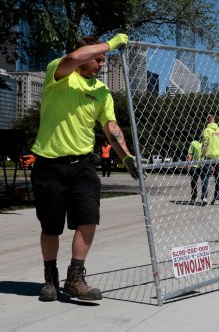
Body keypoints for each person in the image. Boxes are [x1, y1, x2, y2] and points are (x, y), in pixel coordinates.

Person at [31, 33, 140, 302]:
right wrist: (112, 43)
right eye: (98, 59)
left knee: (88, 219)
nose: (101, 64)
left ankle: (75, 279)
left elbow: (110, 127)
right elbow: (73, 58)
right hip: (49, 163)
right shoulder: (59, 73)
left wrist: (126, 156)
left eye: (104, 60)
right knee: (51, 226)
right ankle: (50, 279)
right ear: (87, 55)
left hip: (83, 165)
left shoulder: (102, 92)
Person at [200, 114, 219, 205]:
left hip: (209, 156)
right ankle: (216, 198)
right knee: (218, 177)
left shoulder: (207, 130)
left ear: (207, 120)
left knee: (205, 176)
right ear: (214, 120)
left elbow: (205, 144)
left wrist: (202, 156)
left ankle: (205, 197)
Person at [186, 132, 204, 204]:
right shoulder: (193, 143)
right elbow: (190, 154)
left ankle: (204, 197)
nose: (201, 135)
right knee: (193, 181)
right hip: (195, 166)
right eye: (200, 134)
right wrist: (189, 164)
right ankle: (194, 196)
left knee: (204, 182)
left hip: (204, 165)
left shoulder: (206, 142)